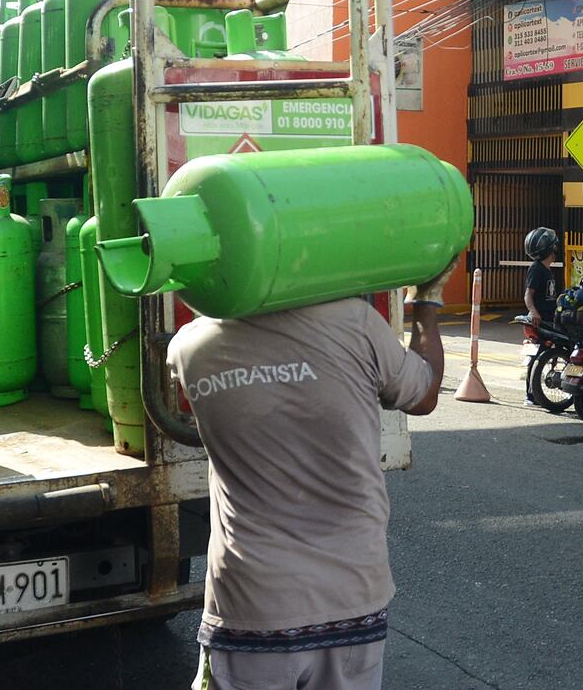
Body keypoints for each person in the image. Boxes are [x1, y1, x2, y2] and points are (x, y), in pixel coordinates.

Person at [168, 257, 456, 690]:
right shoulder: (358, 326)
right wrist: (426, 303)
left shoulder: (190, 348)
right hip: (353, 596)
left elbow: (179, 404)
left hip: (250, 603)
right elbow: (425, 394)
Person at [523, 226, 559, 328]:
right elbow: (528, 294)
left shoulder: (547, 269)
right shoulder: (536, 269)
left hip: (550, 319)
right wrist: (533, 312)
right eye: (554, 246)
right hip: (541, 321)